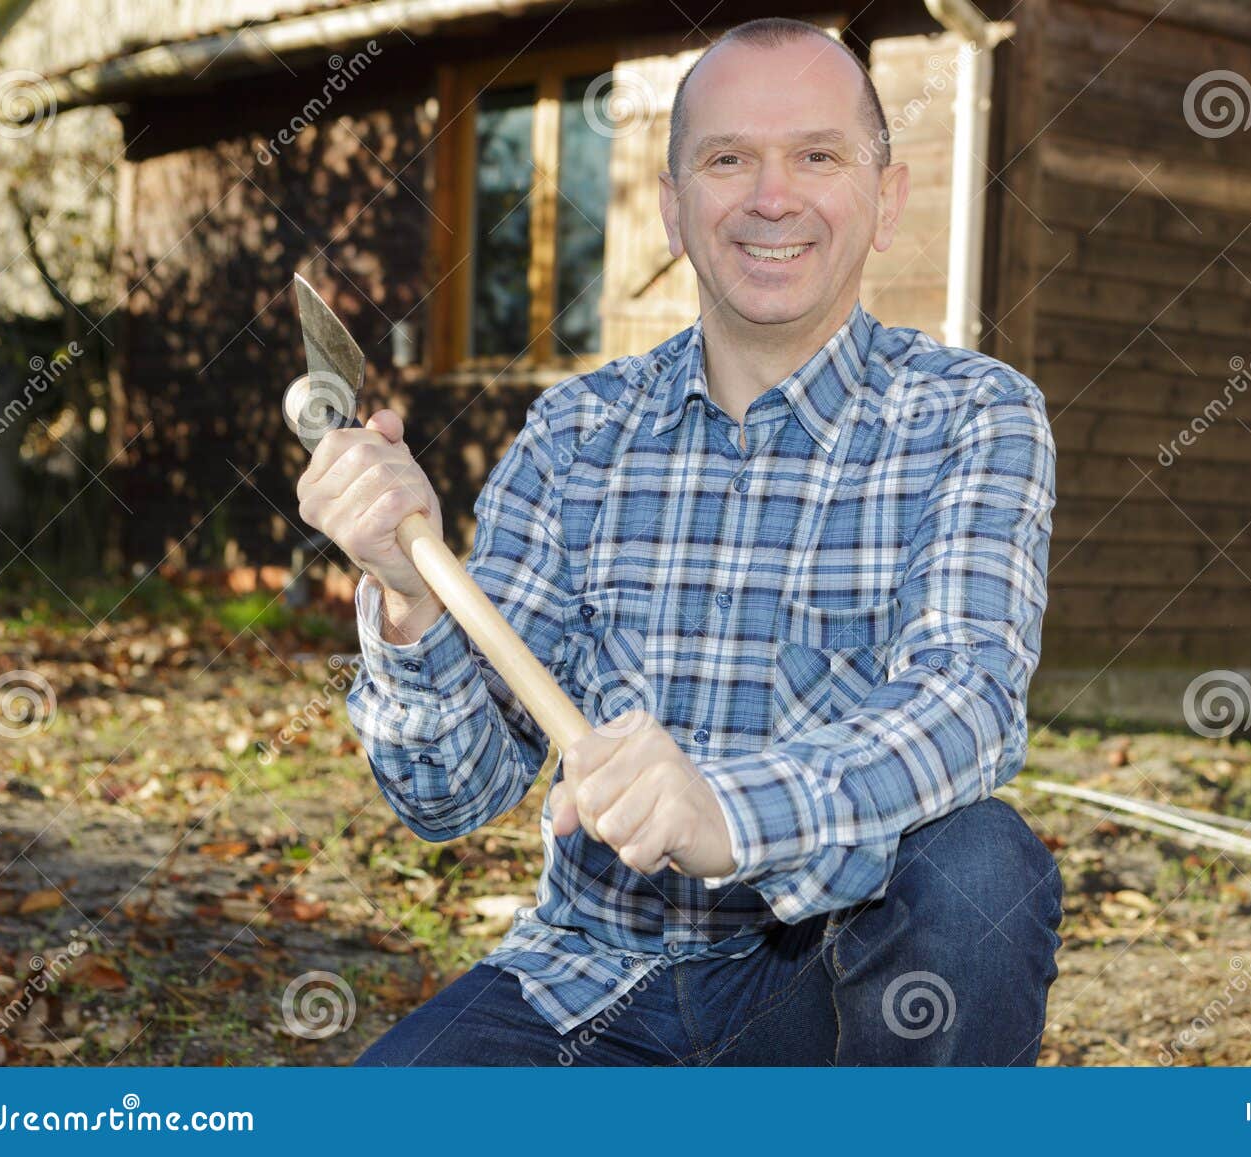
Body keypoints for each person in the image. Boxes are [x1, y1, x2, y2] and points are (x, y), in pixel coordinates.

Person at [297, 16, 1061, 1066]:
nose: (772, 196)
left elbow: (965, 702)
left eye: (817, 155)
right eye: (727, 158)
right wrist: (408, 597)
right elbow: (451, 793)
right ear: (671, 207)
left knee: (982, 863)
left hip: (828, 987)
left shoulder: (972, 415)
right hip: (590, 978)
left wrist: (729, 812)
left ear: (886, 200)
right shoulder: (575, 434)